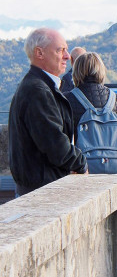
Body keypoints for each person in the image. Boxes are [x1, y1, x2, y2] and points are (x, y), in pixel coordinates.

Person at [8, 28, 87, 197]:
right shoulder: (38, 91)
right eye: (60, 50)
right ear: (40, 53)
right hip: (42, 190)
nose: (67, 56)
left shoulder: (37, 86)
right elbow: (55, 145)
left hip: (39, 186)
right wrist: (82, 164)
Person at [64, 52, 117, 168]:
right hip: (115, 171)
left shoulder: (67, 100)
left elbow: (61, 142)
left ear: (76, 71)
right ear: (101, 71)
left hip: (81, 172)